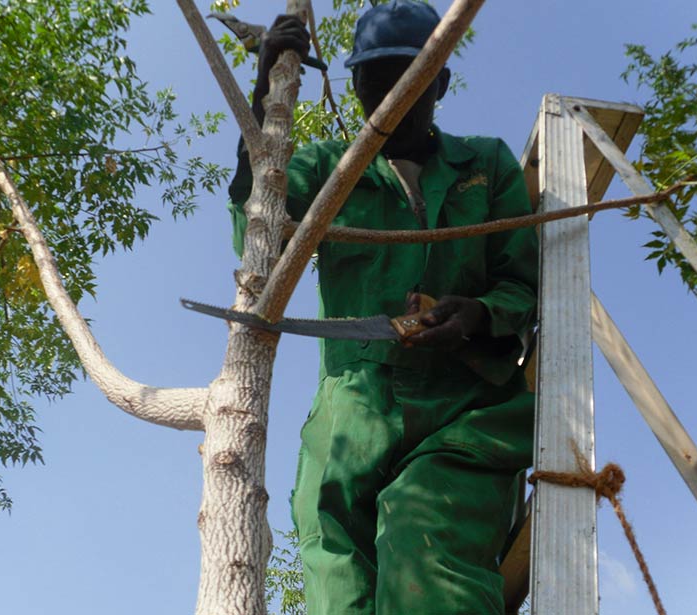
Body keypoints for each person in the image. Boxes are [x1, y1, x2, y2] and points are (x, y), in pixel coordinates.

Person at [227, 2, 538, 613]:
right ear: (355, 83)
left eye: (407, 78)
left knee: (427, 550)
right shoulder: (326, 168)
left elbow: (521, 283)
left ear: (439, 81)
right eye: (372, 79)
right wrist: (264, 94)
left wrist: (476, 316)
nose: (387, 95)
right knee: (337, 582)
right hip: (351, 413)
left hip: (466, 411)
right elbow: (256, 233)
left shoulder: (487, 164)